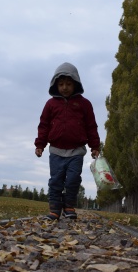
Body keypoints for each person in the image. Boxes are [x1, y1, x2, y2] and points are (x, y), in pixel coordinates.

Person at [35, 62, 100, 220]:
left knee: (72, 180)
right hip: (56, 150)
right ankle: (55, 209)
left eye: (69, 84)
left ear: (76, 84)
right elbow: (43, 125)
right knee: (56, 180)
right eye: (61, 84)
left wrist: (95, 146)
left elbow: (91, 126)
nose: (64, 87)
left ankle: (69, 206)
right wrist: (40, 145)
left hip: (76, 151)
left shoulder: (84, 104)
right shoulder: (50, 105)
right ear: (55, 84)